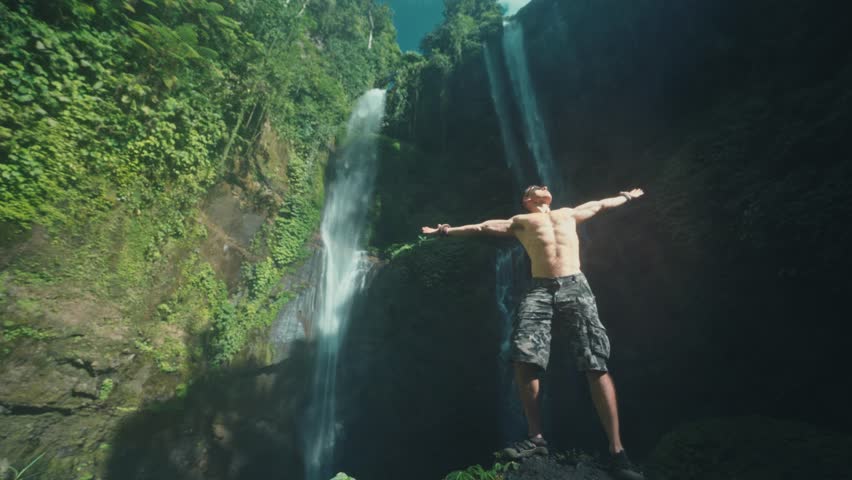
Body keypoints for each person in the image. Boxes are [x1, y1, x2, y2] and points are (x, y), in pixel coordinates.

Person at [422, 185, 645, 480]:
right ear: (527, 200)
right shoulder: (520, 222)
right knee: (524, 354)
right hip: (539, 289)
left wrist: (626, 197)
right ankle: (536, 438)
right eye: (535, 188)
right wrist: (444, 232)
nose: (543, 188)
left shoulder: (569, 213)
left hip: (575, 285)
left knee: (595, 360)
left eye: (545, 187)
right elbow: (482, 227)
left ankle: (618, 452)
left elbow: (602, 204)